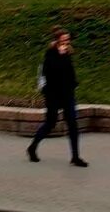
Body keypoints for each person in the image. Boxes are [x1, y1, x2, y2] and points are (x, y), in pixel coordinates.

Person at [27, 27, 88, 167]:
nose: (67, 41)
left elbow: (69, 72)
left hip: (67, 94)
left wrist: (74, 84)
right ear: (57, 40)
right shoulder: (51, 54)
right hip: (53, 94)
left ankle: (75, 157)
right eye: (64, 39)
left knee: (73, 124)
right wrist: (60, 55)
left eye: (68, 39)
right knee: (50, 124)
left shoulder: (68, 53)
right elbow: (50, 73)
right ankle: (32, 147)